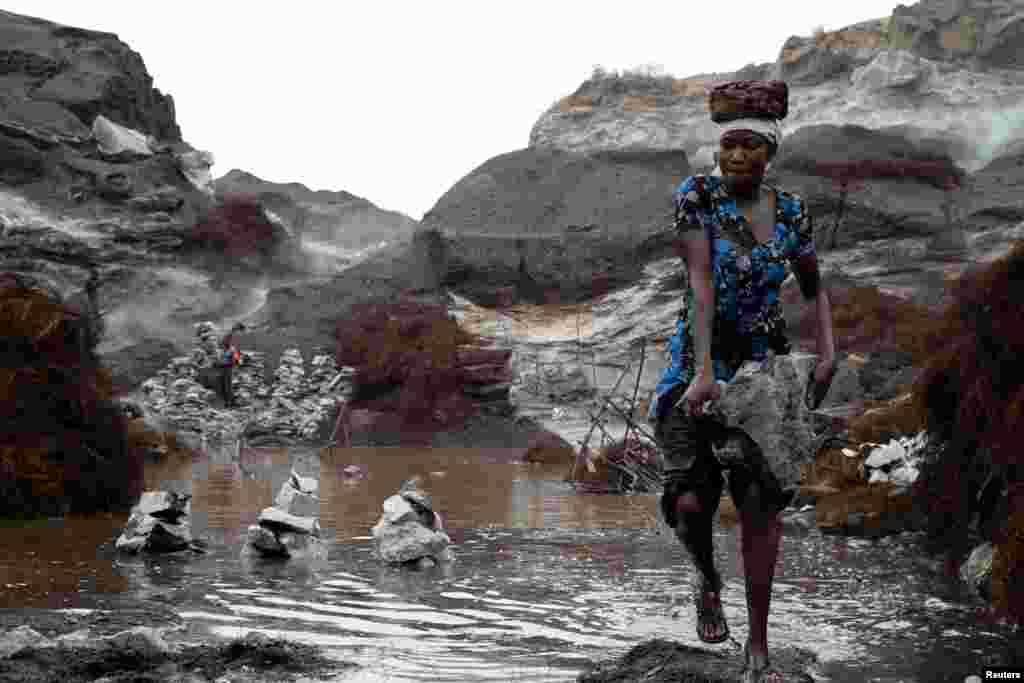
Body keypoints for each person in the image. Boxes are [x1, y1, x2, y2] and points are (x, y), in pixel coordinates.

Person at [648, 80, 837, 682]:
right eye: (727, 145)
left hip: (764, 371)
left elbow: (812, 284)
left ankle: (757, 650)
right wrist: (703, 372)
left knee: (761, 507)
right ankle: (706, 579)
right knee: (688, 500)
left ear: (770, 152)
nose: (734, 157)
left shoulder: (793, 210)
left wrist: (827, 352)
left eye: (749, 147)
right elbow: (701, 283)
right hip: (697, 360)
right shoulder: (696, 195)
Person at [218, 324, 244, 408]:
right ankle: (230, 402)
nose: (241, 334)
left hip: (225, 362)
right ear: (237, 330)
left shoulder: (228, 336)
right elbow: (232, 350)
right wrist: (238, 360)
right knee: (227, 383)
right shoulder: (231, 337)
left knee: (226, 383)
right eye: (240, 332)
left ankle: (228, 401)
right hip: (226, 363)